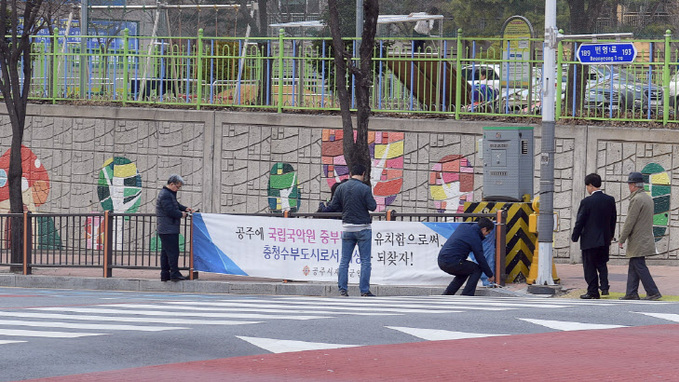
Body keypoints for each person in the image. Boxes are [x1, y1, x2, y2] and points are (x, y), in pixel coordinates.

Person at [325, 163, 378, 297]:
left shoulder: (341, 188)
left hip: (347, 228)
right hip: (363, 228)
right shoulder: (365, 189)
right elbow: (372, 207)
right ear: (364, 174)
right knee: (365, 261)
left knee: (344, 260)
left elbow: (333, 205)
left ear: (350, 173)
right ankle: (364, 290)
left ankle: (343, 289)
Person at [571, 173, 617, 299]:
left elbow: (580, 221)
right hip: (604, 239)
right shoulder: (610, 200)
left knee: (589, 266)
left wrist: (575, 236)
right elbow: (613, 219)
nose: (587, 188)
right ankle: (605, 287)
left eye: (587, 186)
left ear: (591, 185)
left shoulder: (587, 202)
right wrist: (611, 235)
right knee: (602, 263)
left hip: (589, 240)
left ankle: (593, 291)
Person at [618, 171, 662, 300]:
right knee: (634, 264)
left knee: (639, 265)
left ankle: (653, 291)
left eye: (629, 184)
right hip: (644, 237)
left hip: (638, 239)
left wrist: (622, 239)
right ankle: (631, 292)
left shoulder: (636, 199)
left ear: (633, 185)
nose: (628, 187)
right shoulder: (647, 198)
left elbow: (630, 221)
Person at [438, 218, 495, 296]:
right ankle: (467, 295)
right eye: (488, 232)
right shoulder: (475, 238)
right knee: (477, 269)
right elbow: (480, 259)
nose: (487, 235)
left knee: (464, 272)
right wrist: (490, 275)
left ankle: (448, 293)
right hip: (452, 261)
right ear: (484, 229)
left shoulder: (464, 226)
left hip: (441, 260)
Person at [156, 174, 193, 282]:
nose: (178, 189)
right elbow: (170, 211)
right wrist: (182, 214)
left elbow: (175, 205)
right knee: (173, 252)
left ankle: (165, 274)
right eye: (177, 187)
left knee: (166, 253)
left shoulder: (168, 194)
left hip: (166, 228)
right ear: (171, 184)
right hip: (168, 228)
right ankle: (174, 274)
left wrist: (185, 208)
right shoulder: (166, 195)